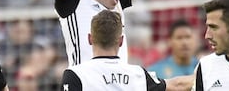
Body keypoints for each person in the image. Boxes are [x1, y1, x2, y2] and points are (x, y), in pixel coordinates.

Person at [60, 9, 188, 91]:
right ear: (121, 41)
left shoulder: (75, 75)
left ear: (90, 39)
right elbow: (177, 85)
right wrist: (204, 72)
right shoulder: (138, 74)